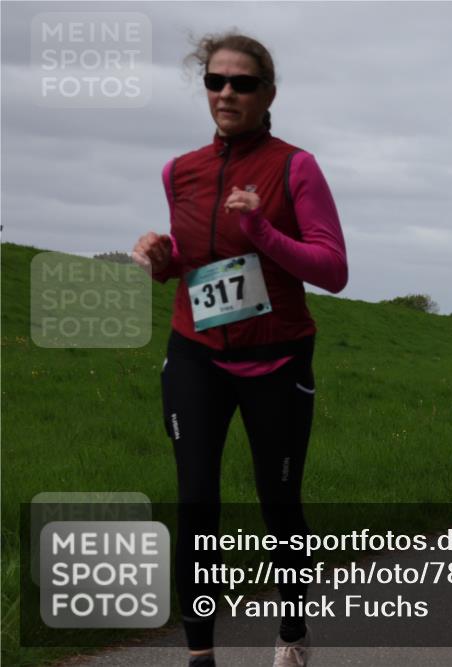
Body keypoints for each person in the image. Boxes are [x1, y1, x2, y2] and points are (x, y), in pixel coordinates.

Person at [131, 32, 348, 667]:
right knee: (196, 501)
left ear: (268, 93)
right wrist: (161, 259)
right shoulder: (180, 171)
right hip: (196, 352)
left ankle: (292, 636)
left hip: (277, 358)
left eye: (242, 83)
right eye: (215, 81)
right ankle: (200, 655)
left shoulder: (294, 167)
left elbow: (332, 269)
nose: (227, 92)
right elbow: (194, 262)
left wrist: (260, 228)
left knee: (278, 502)